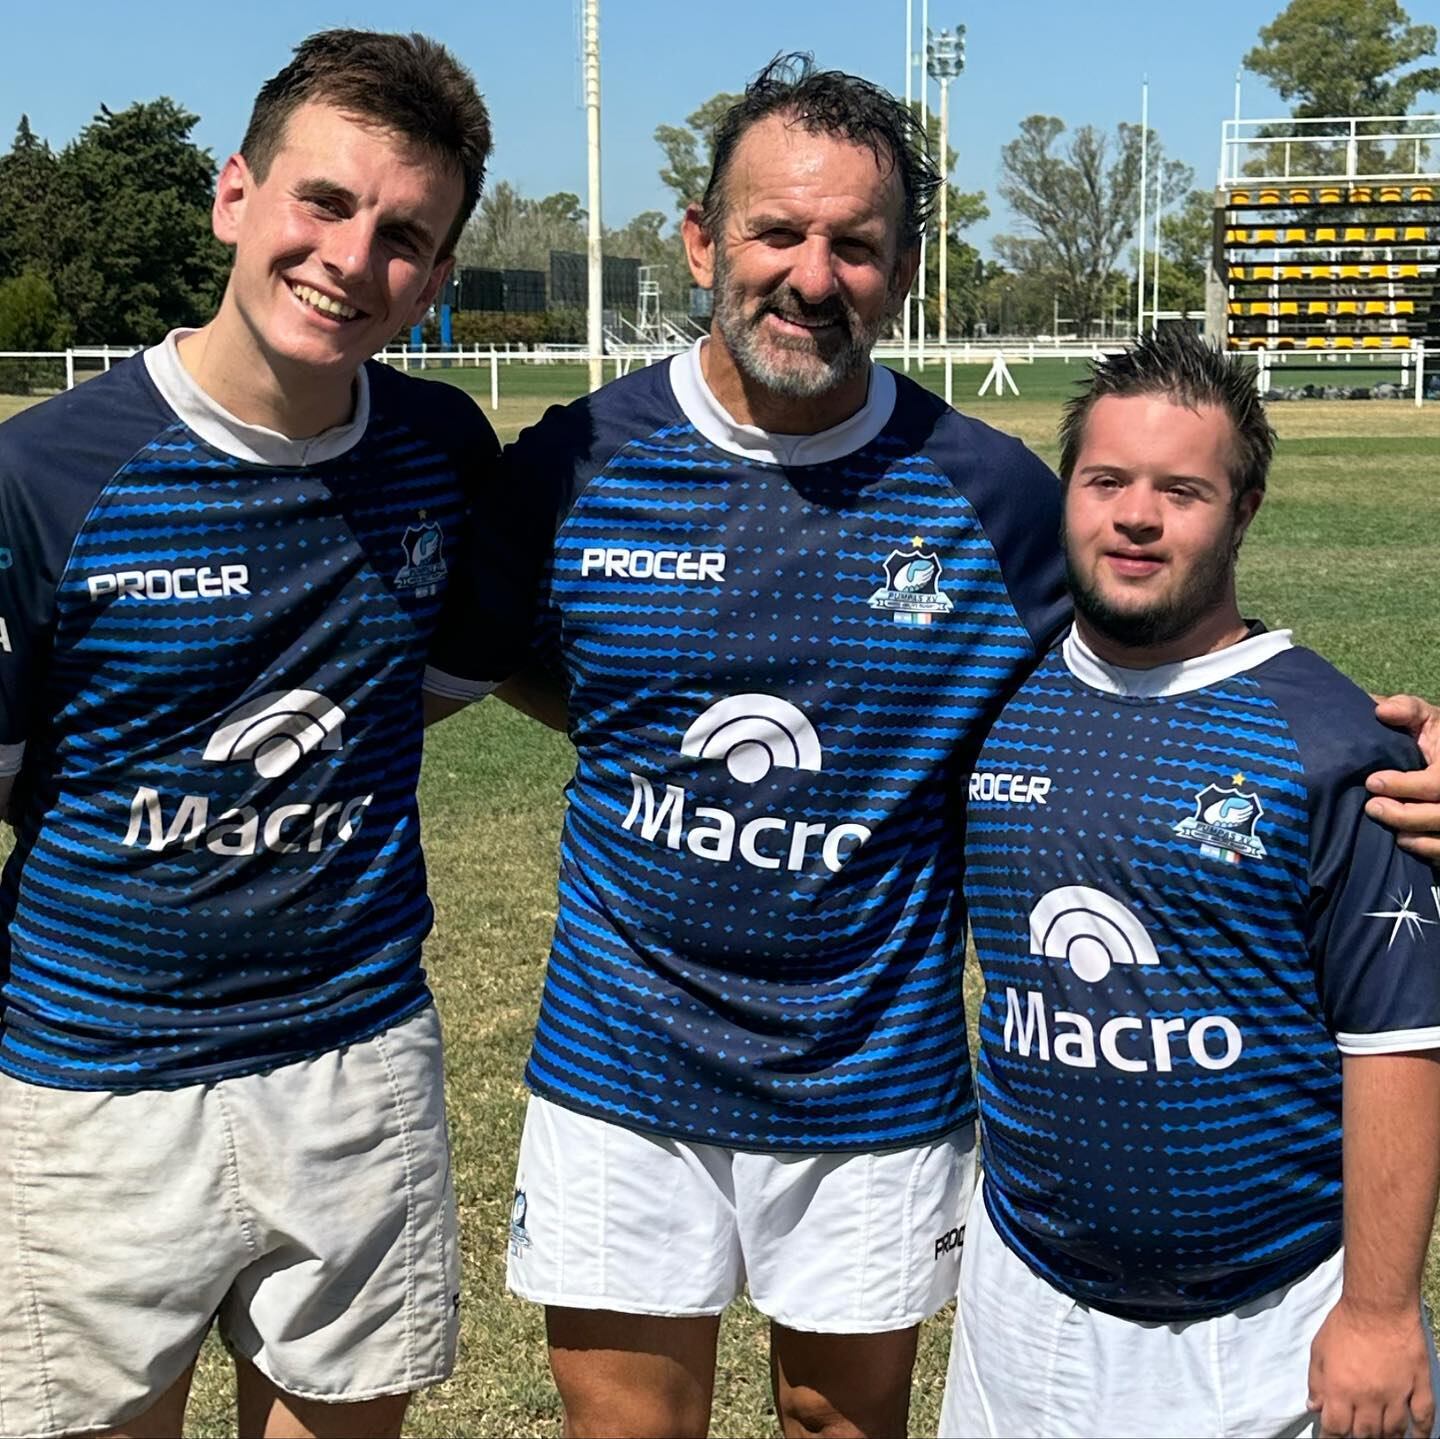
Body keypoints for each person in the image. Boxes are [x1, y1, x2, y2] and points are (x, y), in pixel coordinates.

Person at [438, 57, 1440, 1439]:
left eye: (854, 243)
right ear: (700, 239)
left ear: (900, 270)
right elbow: (481, 664)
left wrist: (1380, 740)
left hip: (877, 1069)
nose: (810, 273)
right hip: (622, 1059)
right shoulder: (575, 460)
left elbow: (1159, 639)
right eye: (776, 231)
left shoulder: (993, 493)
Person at [0, 30, 506, 1439]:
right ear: (236, 194)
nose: (353, 257)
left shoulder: (441, 451)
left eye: (405, 234)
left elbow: (440, 678)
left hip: (353, 1060)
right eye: (323, 202)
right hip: (96, 1081)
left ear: (440, 273)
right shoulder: (45, 472)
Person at [940, 329, 1440, 1439]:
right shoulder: (991, 694)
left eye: (1182, 489)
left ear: (1244, 510)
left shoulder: (1330, 742)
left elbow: (1398, 1044)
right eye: (1107, 480)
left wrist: (1378, 1306)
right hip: (1025, 1300)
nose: (1135, 515)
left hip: (1270, 1323)